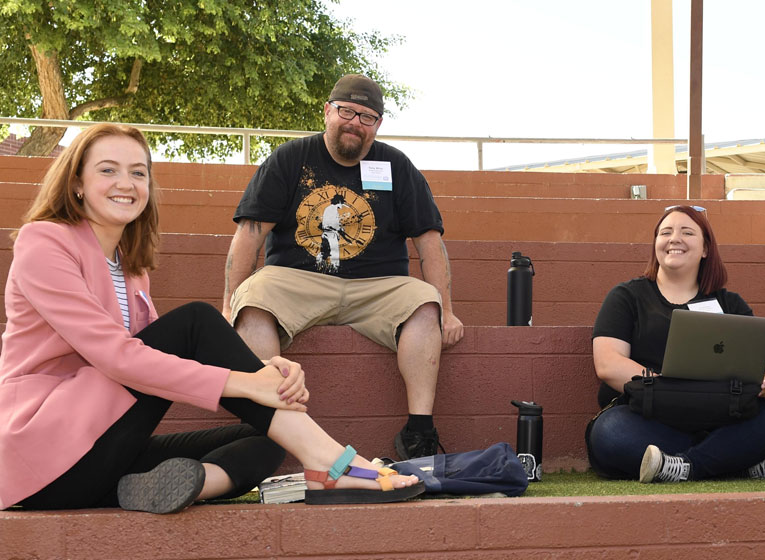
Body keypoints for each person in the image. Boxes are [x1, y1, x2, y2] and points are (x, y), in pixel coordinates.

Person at [0, 123, 424, 514]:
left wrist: (263, 371)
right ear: (76, 182)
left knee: (266, 440)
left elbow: (155, 359)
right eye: (108, 170)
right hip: (44, 458)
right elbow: (118, 358)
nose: (126, 184)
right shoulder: (45, 242)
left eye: (138, 172)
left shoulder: (128, 267)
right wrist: (249, 383)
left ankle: (187, 484)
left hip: (100, 462)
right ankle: (333, 465)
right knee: (197, 321)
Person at [222, 73, 463, 461]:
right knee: (252, 299)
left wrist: (446, 310)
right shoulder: (290, 159)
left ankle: (420, 429)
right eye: (346, 111)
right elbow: (249, 235)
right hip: (298, 280)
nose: (355, 122)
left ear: (378, 125)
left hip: (378, 285)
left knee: (424, 302)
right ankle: (263, 425)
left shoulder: (397, 167)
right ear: (327, 112)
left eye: (367, 116)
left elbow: (429, 242)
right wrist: (227, 304)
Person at [587, 205, 765, 483]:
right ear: (656, 245)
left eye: (687, 232)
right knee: (610, 431)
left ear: (705, 249)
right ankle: (734, 463)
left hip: (720, 417)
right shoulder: (626, 296)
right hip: (653, 418)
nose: (674, 238)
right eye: (665, 232)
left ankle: (685, 466)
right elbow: (608, 364)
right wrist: (664, 386)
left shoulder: (730, 304)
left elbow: (758, 369)